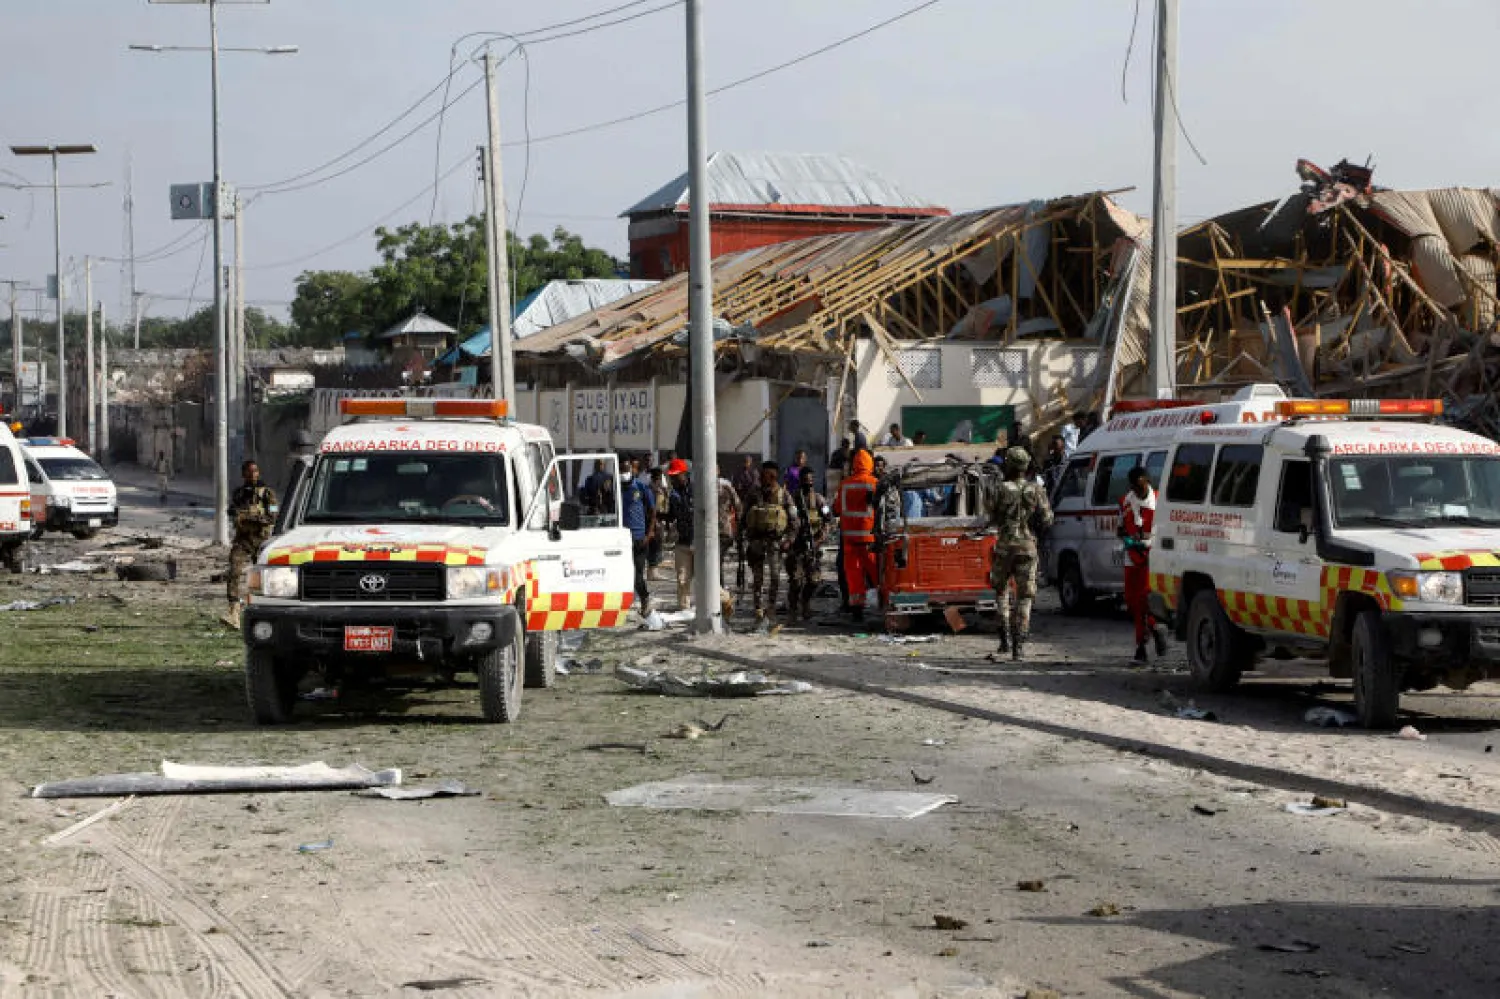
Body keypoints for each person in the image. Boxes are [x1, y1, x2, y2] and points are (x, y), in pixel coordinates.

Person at [988, 446, 1053, 661]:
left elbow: (991, 516)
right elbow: (1047, 519)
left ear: (1008, 465)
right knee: (1025, 597)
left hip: (1004, 547)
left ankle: (1004, 640)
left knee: (1001, 592)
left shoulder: (999, 488)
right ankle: (1019, 646)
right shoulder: (1036, 489)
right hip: (1027, 546)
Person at [1119, 465, 1168, 663]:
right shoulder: (1126, 502)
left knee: (1143, 601)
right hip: (1132, 557)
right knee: (1132, 602)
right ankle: (1154, 628)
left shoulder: (1160, 502)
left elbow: (1165, 531)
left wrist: (1149, 544)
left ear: (1147, 482)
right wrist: (1127, 539)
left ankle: (1142, 645)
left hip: (1151, 557)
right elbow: (1120, 529)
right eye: (1135, 488)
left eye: (1141, 487)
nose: (1138, 491)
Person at [224, 460, 279, 629]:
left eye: (254, 471)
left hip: (261, 540)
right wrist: (234, 513)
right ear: (243, 474)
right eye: (248, 472)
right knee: (234, 571)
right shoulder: (239, 494)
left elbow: (273, 516)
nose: (252, 475)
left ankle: (267, 611)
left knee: (263, 577)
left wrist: (248, 517)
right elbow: (232, 510)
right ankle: (233, 611)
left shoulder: (267, 493)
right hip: (243, 539)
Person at [743, 460, 796, 626]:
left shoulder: (784, 495)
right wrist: (743, 538)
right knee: (757, 578)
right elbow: (744, 517)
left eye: (768, 475)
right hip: (757, 541)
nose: (764, 478)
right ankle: (758, 609)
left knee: (774, 576)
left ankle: (771, 607)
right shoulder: (754, 494)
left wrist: (789, 540)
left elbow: (794, 520)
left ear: (774, 476)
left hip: (776, 542)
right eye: (763, 474)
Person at [835, 449, 879, 621]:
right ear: (870, 464)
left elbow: (837, 508)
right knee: (877, 573)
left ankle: (857, 610)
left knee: (853, 574)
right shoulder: (874, 483)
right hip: (869, 539)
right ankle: (884, 603)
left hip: (849, 539)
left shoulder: (845, 484)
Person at [786, 471, 829, 621]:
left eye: (810, 480)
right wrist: (789, 540)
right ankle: (793, 607)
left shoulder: (819, 499)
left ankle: (805, 602)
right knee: (796, 581)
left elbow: (828, 519)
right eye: (805, 480)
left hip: (813, 547)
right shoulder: (792, 499)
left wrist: (820, 538)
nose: (808, 483)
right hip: (796, 547)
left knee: (814, 580)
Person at [620, 464, 656, 615]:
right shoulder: (616, 487)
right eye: (621, 470)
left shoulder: (641, 487)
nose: (624, 474)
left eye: (626, 470)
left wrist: (649, 533)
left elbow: (653, 511)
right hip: (621, 540)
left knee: (637, 576)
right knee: (623, 575)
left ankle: (645, 598)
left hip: (639, 538)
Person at [664, 458, 696, 610]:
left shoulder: (697, 490)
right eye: (672, 477)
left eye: (676, 476)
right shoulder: (673, 495)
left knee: (706, 580)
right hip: (682, 542)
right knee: (682, 579)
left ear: (685, 474)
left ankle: (725, 600)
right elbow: (672, 516)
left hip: (700, 542)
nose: (674, 480)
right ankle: (684, 609)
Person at [648, 466, 671, 580]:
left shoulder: (659, 489)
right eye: (659, 478)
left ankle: (653, 570)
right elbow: (652, 507)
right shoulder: (652, 489)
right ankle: (652, 571)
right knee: (654, 545)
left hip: (660, 519)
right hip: (654, 520)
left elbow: (664, 504)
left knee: (658, 544)